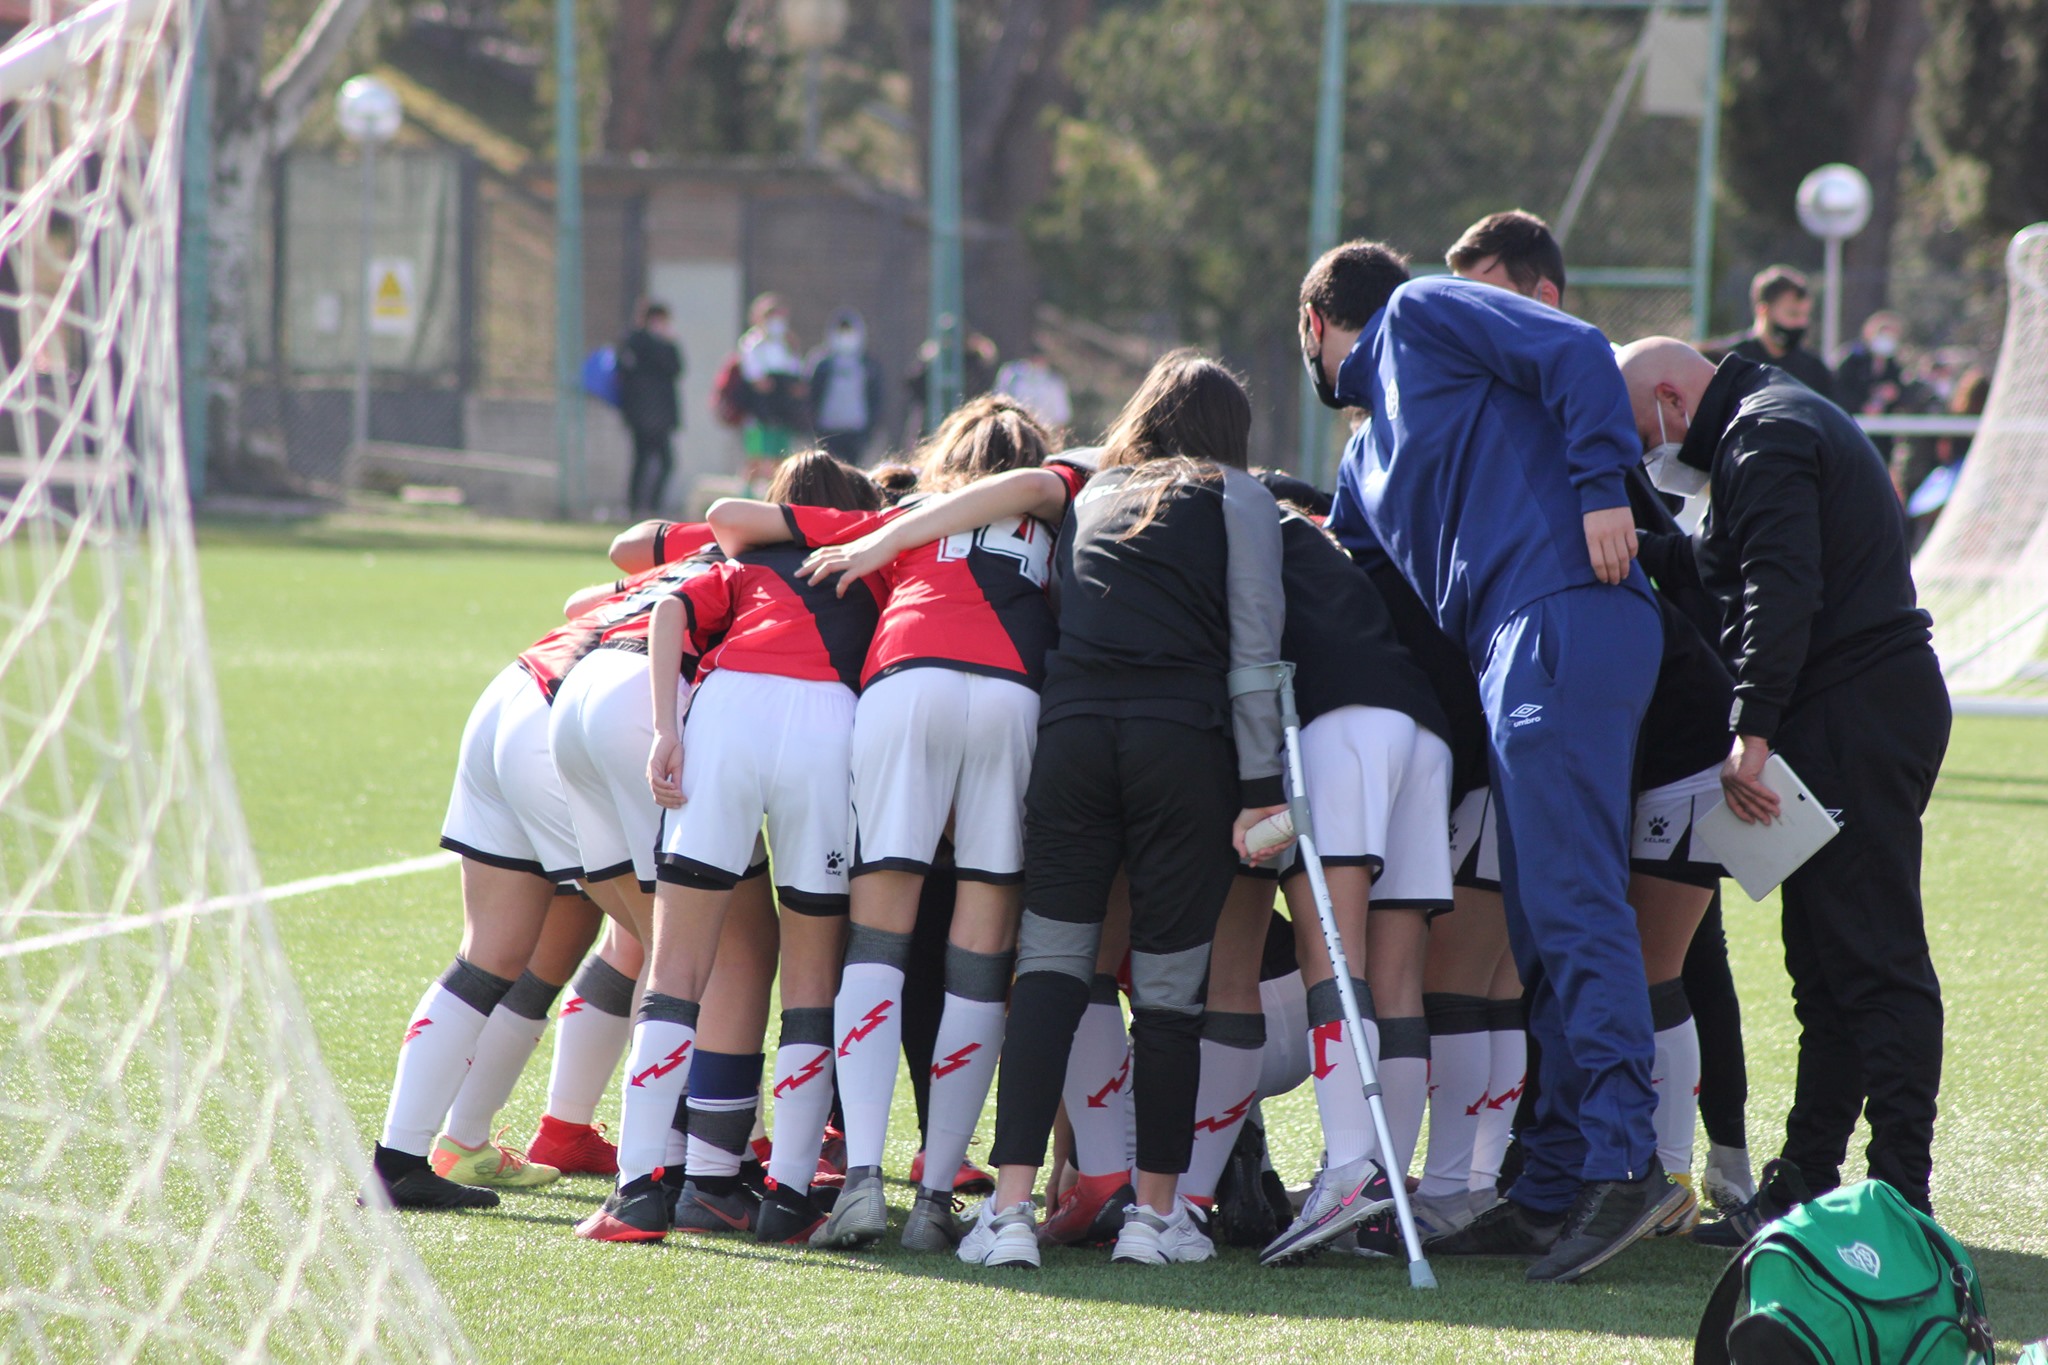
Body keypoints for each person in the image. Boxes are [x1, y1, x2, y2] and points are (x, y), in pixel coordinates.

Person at [1303, 241, 1683, 1285]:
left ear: (1313, 323)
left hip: (1563, 608)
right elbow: (1358, 594)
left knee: (1569, 906)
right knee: (1537, 918)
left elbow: (1572, 351)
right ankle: (1556, 1182)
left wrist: (1603, 486)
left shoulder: (1420, 313)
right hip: (1513, 649)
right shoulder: (1360, 460)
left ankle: (1622, 1163)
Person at [938, 352, 1291, 1271]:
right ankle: (1154, 1218)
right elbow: (1256, 652)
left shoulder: (1097, 490)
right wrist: (1262, 790)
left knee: (1051, 971)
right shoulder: (1241, 497)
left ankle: (1008, 1211)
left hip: (1076, 736)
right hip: (1186, 749)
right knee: (1170, 996)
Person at [702, 396, 1077, 1252]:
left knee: (878, 943)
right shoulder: (1060, 511)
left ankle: (862, 1180)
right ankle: (937, 1197)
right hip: (1016, 694)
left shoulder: (901, 513)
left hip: (906, 678)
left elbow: (741, 519)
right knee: (980, 957)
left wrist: (873, 519)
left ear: (946, 454)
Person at [1618, 337, 1951, 1224]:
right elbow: (1720, 570)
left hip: (1854, 710)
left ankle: (1901, 1195)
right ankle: (1807, 1175)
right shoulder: (1772, 417)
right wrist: (1638, 546)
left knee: (1874, 958)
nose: (1650, 456)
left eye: (1639, 433)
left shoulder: (1763, 434)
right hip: (1853, 708)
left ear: (1668, 400)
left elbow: (1780, 588)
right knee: (1827, 964)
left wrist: (1750, 729)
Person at [572, 452, 886, 1245]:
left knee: (675, 967)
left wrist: (667, 732)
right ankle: (786, 1193)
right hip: (828, 725)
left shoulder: (739, 558)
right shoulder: (877, 545)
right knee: (811, 978)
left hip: (727, 714)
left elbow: (667, 612)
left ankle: (638, 1191)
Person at [1722, 266, 1835, 403]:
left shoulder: (1815, 370)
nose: (1801, 323)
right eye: (1793, 314)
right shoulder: (1734, 361)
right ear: (1764, 310)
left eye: (1805, 315)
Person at [617, 301, 685, 517]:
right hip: (642, 413)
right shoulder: (635, 341)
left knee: (665, 462)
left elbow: (676, 369)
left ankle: (652, 506)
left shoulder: (666, 344)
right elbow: (628, 371)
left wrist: (669, 343)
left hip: (661, 414)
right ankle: (635, 506)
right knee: (642, 459)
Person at [737, 293, 808, 486]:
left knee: (780, 456)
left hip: (782, 408)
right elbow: (757, 380)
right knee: (758, 456)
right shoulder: (753, 343)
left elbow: (796, 375)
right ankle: (747, 492)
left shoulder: (788, 345)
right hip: (761, 410)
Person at [807, 310, 884, 465]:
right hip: (828, 428)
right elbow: (811, 395)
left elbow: (876, 397)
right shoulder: (822, 364)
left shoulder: (868, 364)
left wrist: (871, 428)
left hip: (856, 428)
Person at [995, 347, 1074, 432]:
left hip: (1043, 433)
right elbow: (998, 402)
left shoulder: (1054, 383)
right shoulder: (1012, 374)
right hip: (1013, 430)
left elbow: (1060, 418)